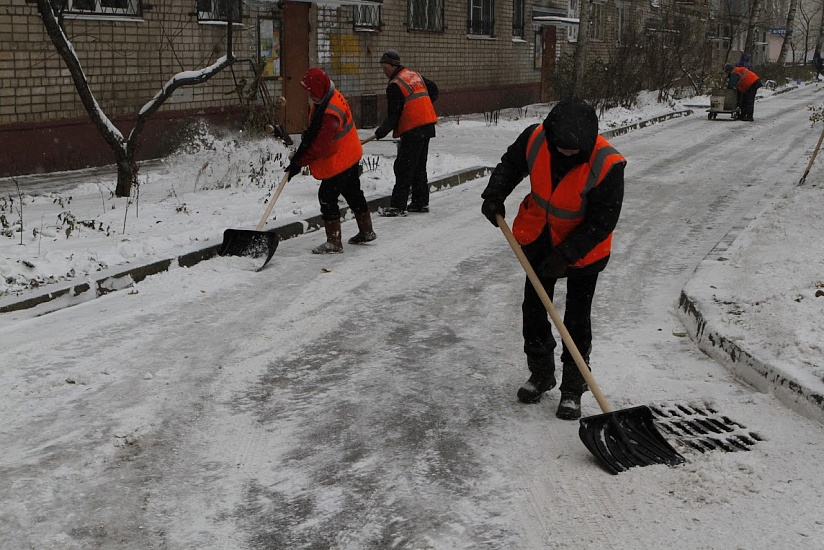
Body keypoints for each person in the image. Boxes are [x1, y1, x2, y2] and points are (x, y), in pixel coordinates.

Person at [480, 97, 626, 420]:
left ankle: (573, 389)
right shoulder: (536, 139)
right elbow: (510, 165)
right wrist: (494, 194)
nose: (564, 155)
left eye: (572, 152)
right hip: (539, 237)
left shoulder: (607, 164)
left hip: (583, 250)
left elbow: (603, 221)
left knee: (575, 318)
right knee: (533, 308)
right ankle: (541, 373)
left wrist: (568, 254)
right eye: (559, 148)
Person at [286, 67, 376, 253]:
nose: (309, 95)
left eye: (311, 91)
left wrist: (298, 164)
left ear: (319, 88)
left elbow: (319, 145)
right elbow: (314, 133)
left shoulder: (330, 112)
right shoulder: (327, 96)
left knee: (327, 196)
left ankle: (334, 242)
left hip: (341, 158)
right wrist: (299, 156)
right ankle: (366, 231)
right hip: (349, 153)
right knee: (352, 192)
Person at [373, 50, 439, 217]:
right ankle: (420, 202)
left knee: (403, 168)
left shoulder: (395, 85)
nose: (383, 70)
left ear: (393, 65)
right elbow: (434, 90)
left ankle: (397, 206)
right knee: (418, 166)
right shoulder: (414, 76)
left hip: (413, 130)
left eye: (385, 66)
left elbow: (393, 116)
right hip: (427, 126)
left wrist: (380, 132)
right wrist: (421, 107)